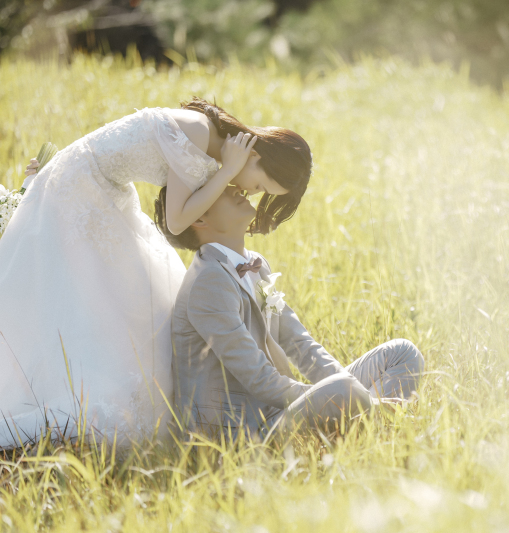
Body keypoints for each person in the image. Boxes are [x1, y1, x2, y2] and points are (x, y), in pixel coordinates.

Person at [0, 98, 308, 448]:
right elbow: (177, 222)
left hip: (108, 188)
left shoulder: (212, 142)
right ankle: (78, 394)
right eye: (260, 186)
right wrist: (226, 172)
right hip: (82, 184)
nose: (251, 192)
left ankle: (116, 388)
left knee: (134, 293)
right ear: (255, 156)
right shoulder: (201, 134)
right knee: (98, 295)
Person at [161, 185, 425, 438]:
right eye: (219, 189)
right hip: (242, 431)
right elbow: (259, 379)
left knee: (403, 353)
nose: (235, 188)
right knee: (344, 391)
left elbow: (299, 342)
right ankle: (377, 418)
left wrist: (343, 386)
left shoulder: (255, 265)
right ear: (199, 219)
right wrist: (345, 395)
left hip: (277, 410)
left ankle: (365, 421)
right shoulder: (208, 281)